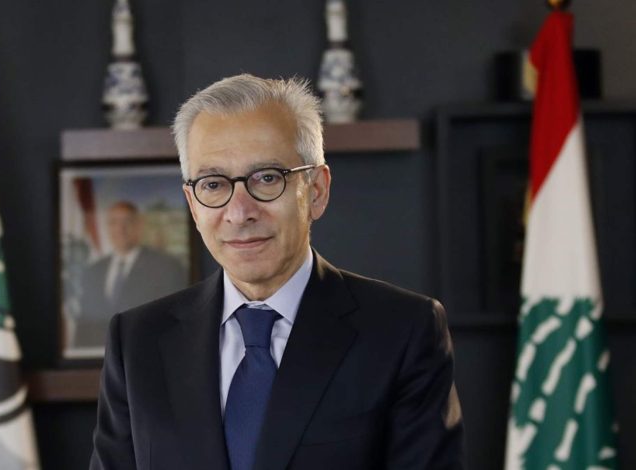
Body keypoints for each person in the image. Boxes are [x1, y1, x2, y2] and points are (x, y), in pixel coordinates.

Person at [90, 74, 464, 469]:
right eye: (214, 184)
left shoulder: (403, 331)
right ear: (192, 204)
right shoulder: (138, 341)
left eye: (267, 178)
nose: (240, 212)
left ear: (316, 190)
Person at [75, 201, 185, 348]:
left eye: (127, 221)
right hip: (96, 356)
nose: (120, 229)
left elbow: (174, 322)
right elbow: (83, 325)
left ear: (139, 226)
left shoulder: (165, 267)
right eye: (113, 222)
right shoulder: (93, 271)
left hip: (147, 353)